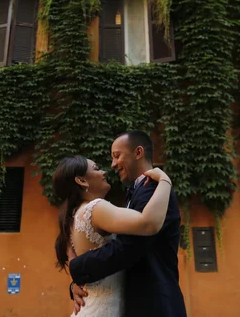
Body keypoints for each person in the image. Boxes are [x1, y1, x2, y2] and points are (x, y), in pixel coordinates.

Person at [68, 131, 187, 317]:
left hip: (155, 304)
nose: (113, 165)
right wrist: (78, 284)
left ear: (138, 152)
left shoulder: (153, 190)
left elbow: (128, 248)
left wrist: (78, 269)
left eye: (117, 156)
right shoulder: (136, 192)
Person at [53, 153, 173, 317]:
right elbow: (148, 223)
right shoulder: (95, 208)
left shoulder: (73, 215)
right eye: (96, 169)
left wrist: (75, 283)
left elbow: (76, 262)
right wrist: (165, 181)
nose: (104, 172)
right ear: (81, 180)